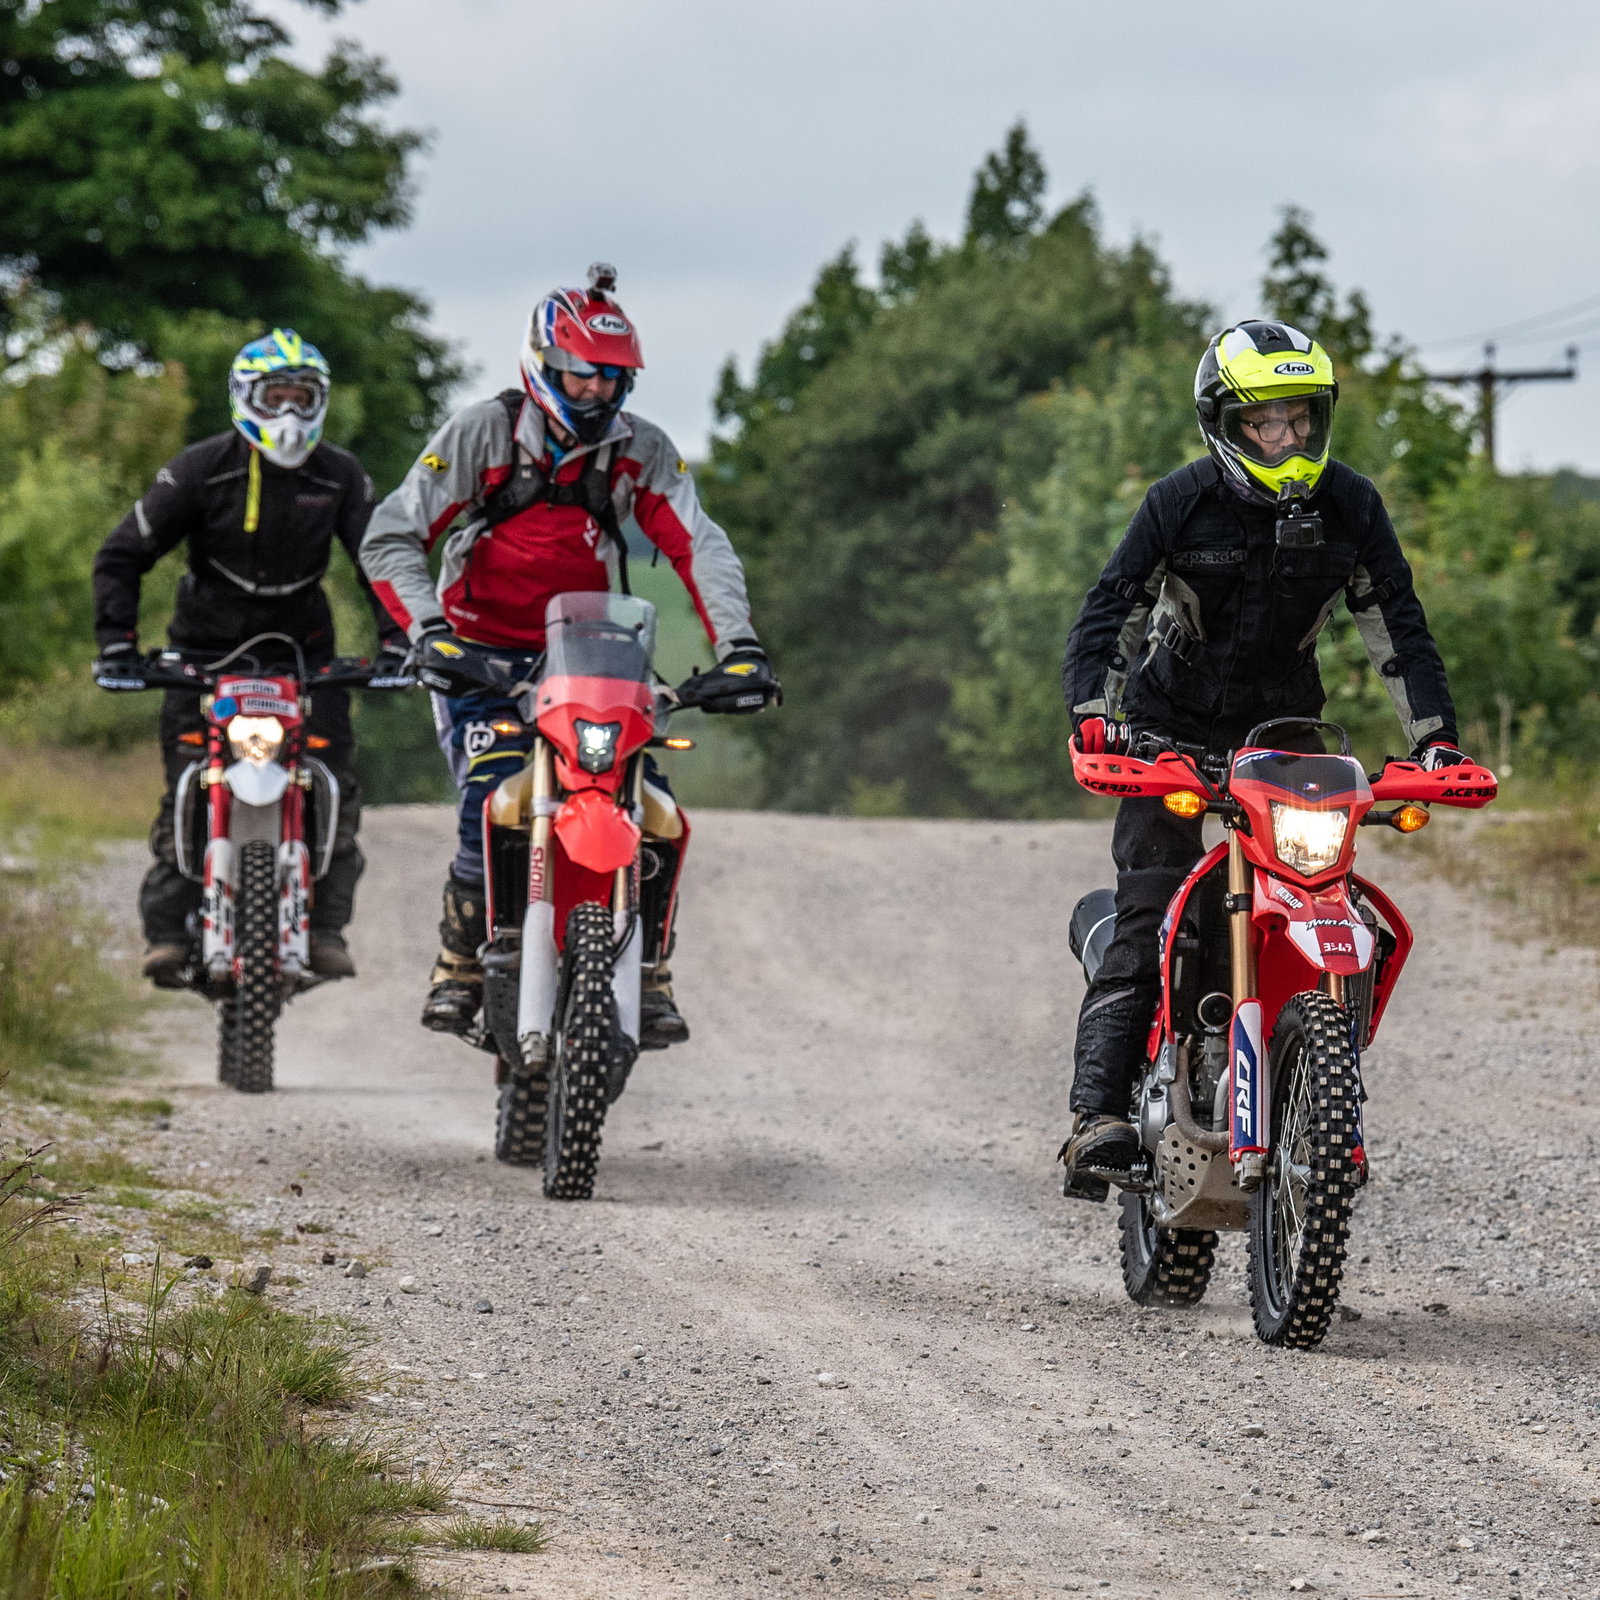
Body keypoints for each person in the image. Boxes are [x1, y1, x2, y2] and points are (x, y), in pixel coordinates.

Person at [1057, 319, 1468, 1194]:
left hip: (1283, 738)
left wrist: (1436, 740)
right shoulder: (1178, 501)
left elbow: (1396, 625)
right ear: (1224, 422)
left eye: (1299, 420)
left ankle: (1321, 1106)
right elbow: (1111, 610)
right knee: (1151, 907)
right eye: (1263, 423)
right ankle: (1097, 1115)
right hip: (1166, 731)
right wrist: (1096, 714)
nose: (1285, 439)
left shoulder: (1352, 506)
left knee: (1328, 905)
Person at [359, 263, 778, 1044]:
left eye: (612, 379)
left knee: (647, 803)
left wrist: (740, 647)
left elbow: (700, 545)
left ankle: (649, 971)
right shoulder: (481, 432)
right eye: (580, 375)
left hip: (589, 659)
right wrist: (427, 633)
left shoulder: (641, 451)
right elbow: (391, 535)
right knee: (491, 798)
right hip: (476, 656)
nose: (595, 393)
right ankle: (458, 961)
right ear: (543, 364)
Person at [92, 329, 407, 986]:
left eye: (304, 396)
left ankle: (325, 929)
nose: (290, 412)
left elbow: (381, 562)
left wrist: (397, 643)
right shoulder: (201, 467)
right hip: (203, 652)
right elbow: (123, 554)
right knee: (188, 787)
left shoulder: (342, 475)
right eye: (277, 395)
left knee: (335, 790)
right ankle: (165, 930)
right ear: (246, 397)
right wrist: (118, 647)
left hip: (306, 655)